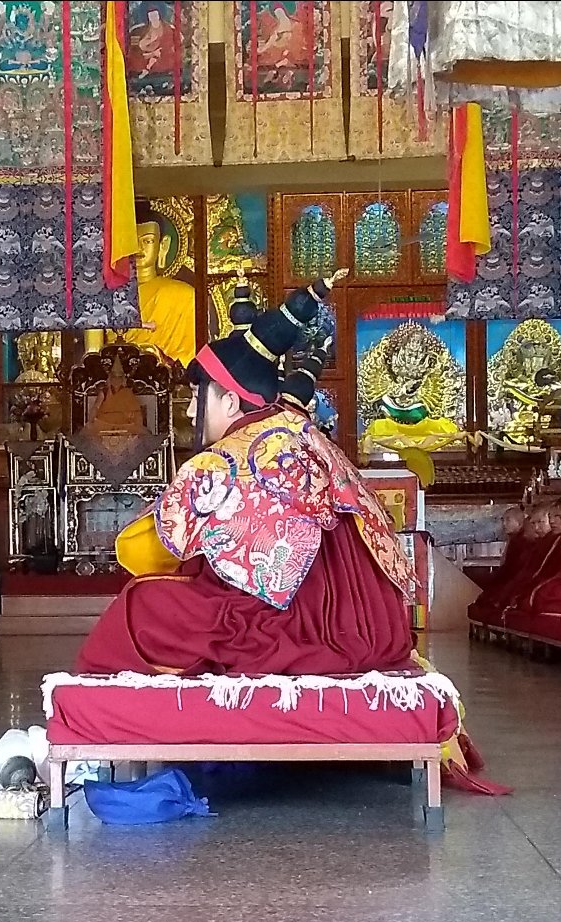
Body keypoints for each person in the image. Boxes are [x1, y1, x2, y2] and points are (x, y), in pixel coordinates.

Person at [76, 273, 416, 677]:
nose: (189, 413)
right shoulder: (306, 435)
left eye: (197, 400)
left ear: (232, 400)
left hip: (286, 621)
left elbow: (164, 549)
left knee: (139, 608)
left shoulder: (226, 456)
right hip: (367, 622)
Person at [120, 204, 196, 367]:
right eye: (132, 241)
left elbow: (189, 356)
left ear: (163, 245)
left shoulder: (183, 295)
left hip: (166, 380)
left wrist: (155, 356)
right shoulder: (109, 297)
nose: (138, 248)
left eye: (147, 240)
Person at [86, 359, 147, 436]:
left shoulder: (128, 392)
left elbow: (136, 412)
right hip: (104, 424)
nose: (116, 380)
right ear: (110, 378)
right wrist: (91, 421)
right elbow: (96, 407)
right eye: (114, 377)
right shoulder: (104, 392)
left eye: (119, 378)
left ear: (122, 379)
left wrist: (137, 424)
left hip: (124, 424)